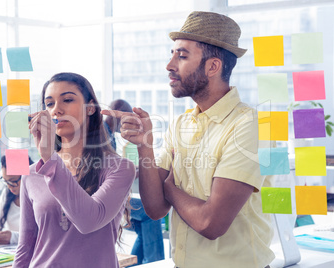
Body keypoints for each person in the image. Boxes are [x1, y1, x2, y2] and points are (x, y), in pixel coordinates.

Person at [102, 11, 275, 268]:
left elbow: (210, 223)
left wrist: (170, 188)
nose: (169, 65)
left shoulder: (249, 126)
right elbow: (155, 208)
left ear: (213, 66)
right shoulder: (181, 123)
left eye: (181, 56)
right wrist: (144, 145)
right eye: (172, 55)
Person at [13, 72, 136, 267]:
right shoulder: (32, 174)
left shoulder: (119, 168)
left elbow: (88, 221)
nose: (56, 110)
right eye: (49, 103)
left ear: (90, 108)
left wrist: (49, 158)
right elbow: (25, 247)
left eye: (67, 100)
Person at [104, 99, 165, 265]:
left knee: (142, 226)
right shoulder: (104, 135)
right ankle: (156, 263)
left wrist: (136, 170)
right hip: (109, 201)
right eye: (124, 118)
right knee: (150, 215)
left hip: (114, 198)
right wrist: (133, 171)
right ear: (115, 112)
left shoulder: (107, 134)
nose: (125, 125)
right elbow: (109, 174)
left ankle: (138, 263)